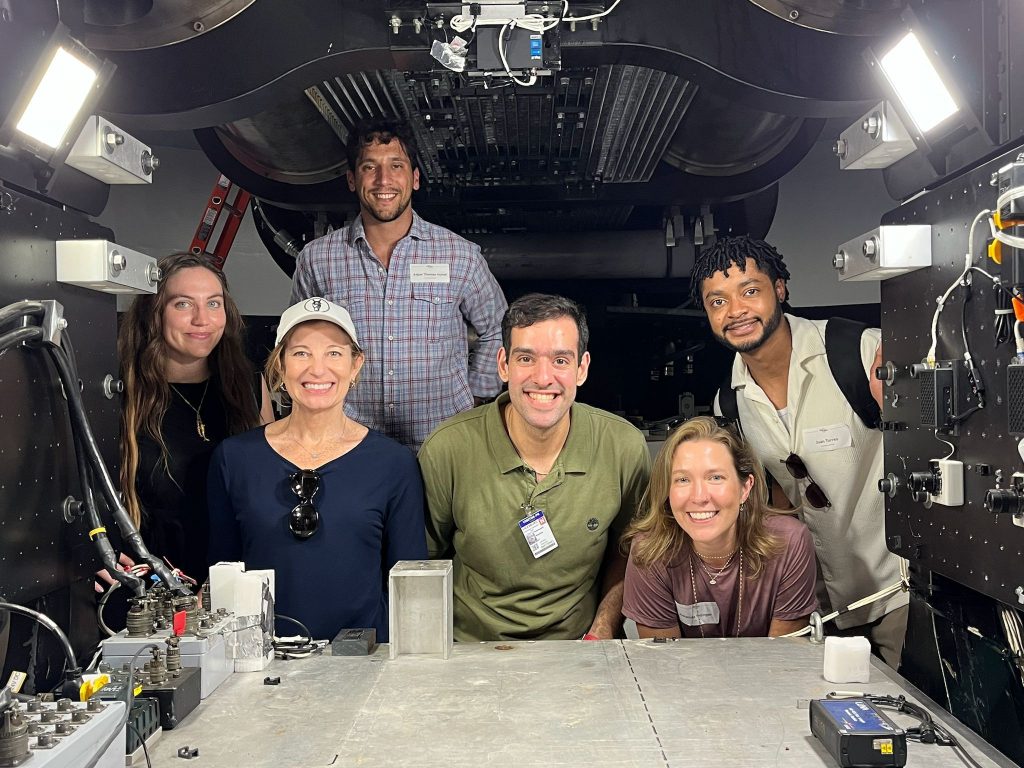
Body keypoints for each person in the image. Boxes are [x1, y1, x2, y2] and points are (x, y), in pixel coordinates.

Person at [692, 235, 907, 666]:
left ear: (781, 289)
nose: (735, 311)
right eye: (717, 302)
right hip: (819, 610)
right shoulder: (729, 403)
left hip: (898, 595)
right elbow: (772, 503)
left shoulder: (857, 353)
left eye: (750, 291)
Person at [419, 293, 651, 641]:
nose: (543, 378)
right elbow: (423, 564)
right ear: (503, 364)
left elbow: (630, 550)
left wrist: (603, 628)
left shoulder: (623, 447)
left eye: (560, 360)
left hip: (580, 649)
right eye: (526, 358)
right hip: (470, 649)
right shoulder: (448, 448)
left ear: (582, 368)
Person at [207, 297, 426, 641]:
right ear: (279, 364)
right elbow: (221, 575)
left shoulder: (393, 463)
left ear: (356, 366)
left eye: (334, 353)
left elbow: (410, 583)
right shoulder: (235, 458)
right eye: (301, 353)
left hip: (363, 661)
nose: (317, 369)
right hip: (259, 660)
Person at [290, 116, 507, 450]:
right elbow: (297, 346)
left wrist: (477, 401)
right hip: (349, 447)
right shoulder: (317, 260)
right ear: (351, 179)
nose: (383, 180)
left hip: (442, 447)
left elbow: (497, 328)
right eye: (369, 168)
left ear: (415, 178)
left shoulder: (459, 255)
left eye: (396, 166)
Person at [118, 252, 273, 588]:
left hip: (232, 582)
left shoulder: (248, 387)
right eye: (183, 304)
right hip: (153, 589)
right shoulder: (120, 394)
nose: (202, 319)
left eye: (214, 303)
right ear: (153, 313)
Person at [622, 416, 817, 638]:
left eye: (715, 477)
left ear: (745, 488)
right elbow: (663, 662)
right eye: (682, 480)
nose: (698, 497)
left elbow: (782, 658)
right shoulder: (649, 552)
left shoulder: (789, 542)